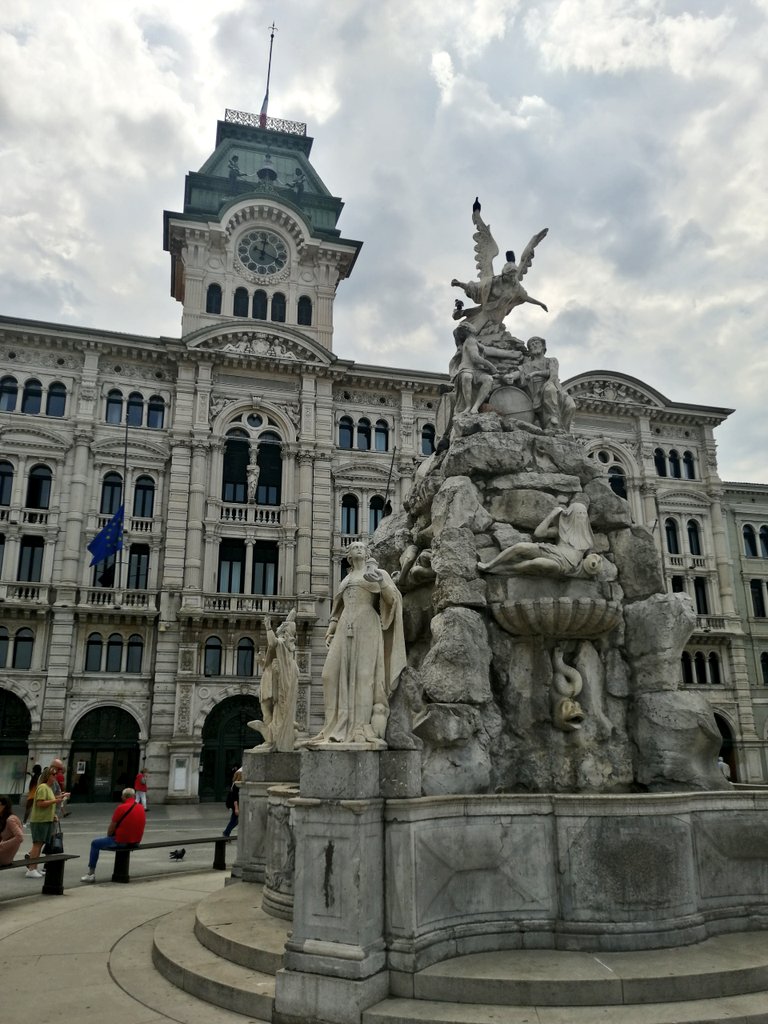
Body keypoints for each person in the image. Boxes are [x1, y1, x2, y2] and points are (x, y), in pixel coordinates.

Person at [305, 542, 406, 747]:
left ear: (367, 553)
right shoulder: (346, 579)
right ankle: (332, 727)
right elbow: (337, 610)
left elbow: (393, 600)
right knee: (329, 675)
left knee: (364, 676)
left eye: (362, 546)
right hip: (344, 626)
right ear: (349, 556)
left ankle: (359, 728)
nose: (359, 548)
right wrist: (330, 629)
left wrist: (383, 584)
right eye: (355, 547)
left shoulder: (379, 573)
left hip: (367, 624)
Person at [479, 495, 599, 578]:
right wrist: (552, 515)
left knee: (536, 563)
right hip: (552, 551)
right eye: (579, 513)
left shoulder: (588, 539)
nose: (582, 517)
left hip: (563, 566)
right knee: (520, 546)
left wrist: (594, 563)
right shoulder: (562, 530)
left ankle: (503, 570)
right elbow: (539, 534)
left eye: (584, 514)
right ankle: (490, 564)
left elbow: (590, 559)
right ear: (571, 515)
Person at [80, 787, 146, 883]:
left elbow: (112, 828)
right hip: (136, 842)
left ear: (124, 797)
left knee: (95, 843)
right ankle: (91, 874)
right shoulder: (140, 807)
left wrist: (109, 836)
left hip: (121, 841)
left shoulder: (121, 808)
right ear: (134, 796)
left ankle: (91, 873)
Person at [255, 611, 300, 751]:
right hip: (270, 678)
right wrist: (261, 661)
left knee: (269, 711)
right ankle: (272, 738)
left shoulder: (281, 642)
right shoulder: (285, 648)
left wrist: (268, 627)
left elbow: (272, 642)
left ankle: (272, 739)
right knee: (271, 710)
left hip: (273, 681)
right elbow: (269, 662)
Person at [513, 336, 575, 433]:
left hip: (556, 387)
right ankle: (553, 415)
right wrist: (510, 376)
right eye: (531, 345)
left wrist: (535, 373)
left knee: (571, 406)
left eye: (536, 343)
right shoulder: (528, 365)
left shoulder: (551, 360)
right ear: (529, 350)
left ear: (543, 347)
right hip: (538, 393)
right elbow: (519, 373)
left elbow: (553, 373)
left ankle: (565, 430)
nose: (534, 345)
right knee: (549, 389)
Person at [25, 766, 67, 878]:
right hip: (40, 820)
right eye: (53, 774)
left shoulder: (48, 787)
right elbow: (40, 803)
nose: (55, 776)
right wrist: (56, 800)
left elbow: (49, 801)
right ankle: (31, 869)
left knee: (40, 844)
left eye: (55, 774)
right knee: (37, 844)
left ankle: (34, 868)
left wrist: (60, 798)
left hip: (46, 819)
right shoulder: (43, 787)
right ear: (47, 776)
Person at [0, 796, 23, 866]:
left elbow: (20, 837)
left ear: (4, 806)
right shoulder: (2, 818)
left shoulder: (11, 820)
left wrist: (2, 845)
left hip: (5, 856)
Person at [223, 768, 242, 838]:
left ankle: (226, 832)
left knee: (234, 820)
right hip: (235, 805)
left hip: (234, 804)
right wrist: (236, 808)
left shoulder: (234, 784)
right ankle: (226, 833)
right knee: (235, 820)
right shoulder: (236, 786)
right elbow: (235, 798)